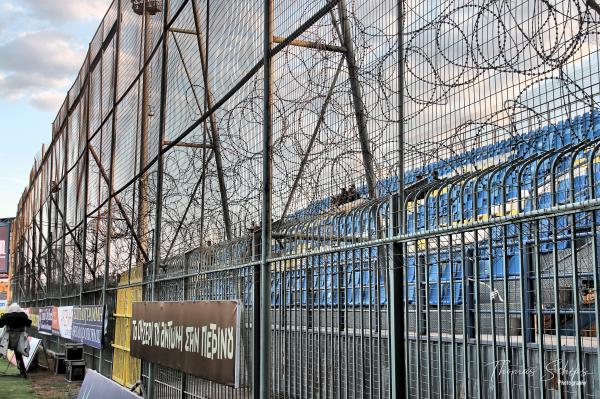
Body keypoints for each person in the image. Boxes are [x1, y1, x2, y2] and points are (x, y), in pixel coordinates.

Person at [0, 303, 32, 377]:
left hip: (8, 337)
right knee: (19, 355)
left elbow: (0, 324)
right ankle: (23, 371)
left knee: (1, 351)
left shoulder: (7, 316)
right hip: (18, 338)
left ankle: (23, 371)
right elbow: (28, 324)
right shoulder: (23, 316)